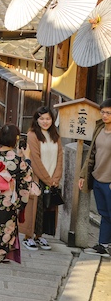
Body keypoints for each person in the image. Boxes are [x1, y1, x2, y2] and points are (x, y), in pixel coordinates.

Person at [0, 124, 34, 264]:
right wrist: (26, 158)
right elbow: (26, 177)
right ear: (15, 139)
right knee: (6, 226)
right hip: (6, 197)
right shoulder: (17, 160)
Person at [20, 106, 63, 251]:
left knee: (47, 208)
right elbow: (35, 160)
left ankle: (40, 235)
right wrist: (49, 180)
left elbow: (60, 158)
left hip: (52, 179)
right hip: (37, 179)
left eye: (48, 118)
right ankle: (28, 237)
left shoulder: (55, 136)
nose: (45, 122)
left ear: (53, 119)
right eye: (42, 119)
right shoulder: (33, 135)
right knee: (34, 208)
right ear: (36, 120)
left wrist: (56, 178)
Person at [79, 98, 111, 257]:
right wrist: (83, 175)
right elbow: (91, 154)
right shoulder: (99, 128)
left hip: (110, 181)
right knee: (104, 213)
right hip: (98, 177)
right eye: (103, 112)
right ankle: (103, 245)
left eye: (108, 113)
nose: (105, 115)